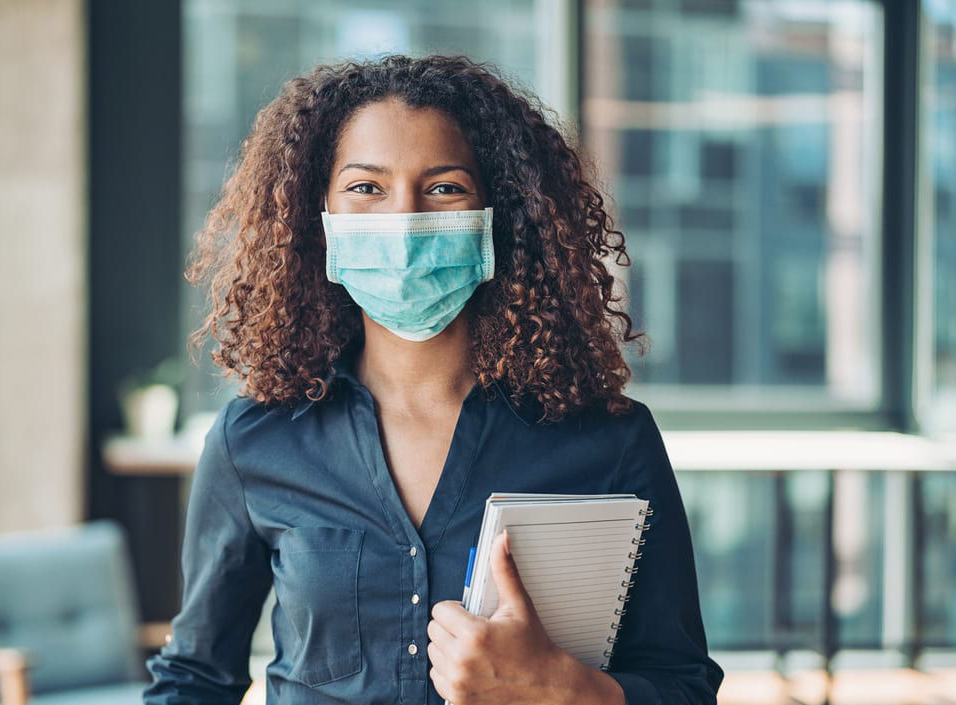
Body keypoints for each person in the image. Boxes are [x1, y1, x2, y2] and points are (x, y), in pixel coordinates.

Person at [143, 54, 722, 705]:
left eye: (445, 188)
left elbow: (684, 685)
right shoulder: (254, 440)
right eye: (367, 188)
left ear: (500, 212)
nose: (404, 221)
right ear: (318, 215)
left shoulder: (610, 441)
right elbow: (194, 679)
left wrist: (565, 688)